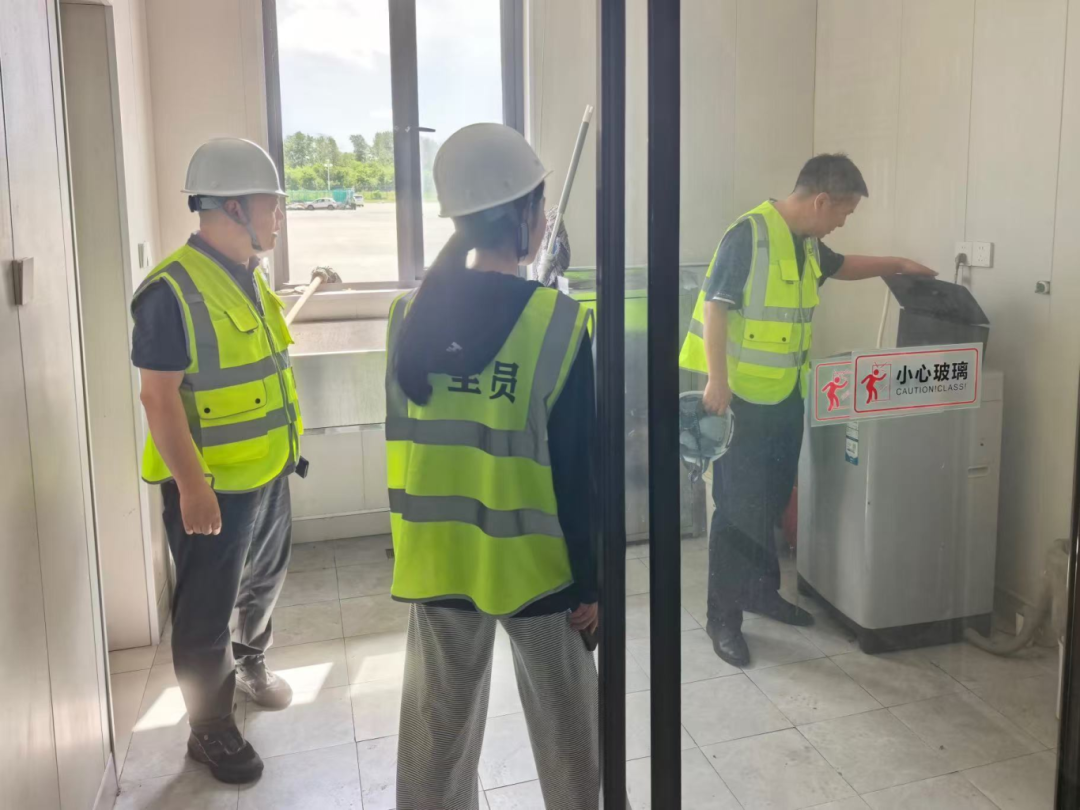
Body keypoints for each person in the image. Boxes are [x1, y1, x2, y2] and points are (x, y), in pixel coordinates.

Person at [386, 123, 599, 809]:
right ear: (524, 215)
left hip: (438, 559)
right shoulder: (557, 322)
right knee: (570, 734)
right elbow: (576, 470)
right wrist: (589, 582)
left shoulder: (407, 316)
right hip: (535, 568)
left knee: (437, 731)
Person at [680, 154, 937, 667]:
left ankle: (761, 593)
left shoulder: (807, 244)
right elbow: (715, 305)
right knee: (736, 509)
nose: (842, 223)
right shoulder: (748, 235)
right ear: (821, 201)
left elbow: (844, 267)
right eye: (843, 213)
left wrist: (898, 264)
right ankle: (722, 617)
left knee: (772, 499)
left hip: (785, 397)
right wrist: (718, 380)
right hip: (740, 400)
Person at [131, 137, 305, 784]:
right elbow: (157, 397)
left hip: (267, 469)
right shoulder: (170, 291)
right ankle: (210, 729)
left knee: (264, 579)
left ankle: (251, 661)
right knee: (206, 609)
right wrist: (193, 487)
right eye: (271, 204)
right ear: (233, 207)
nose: (279, 215)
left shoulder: (249, 276)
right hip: (212, 487)